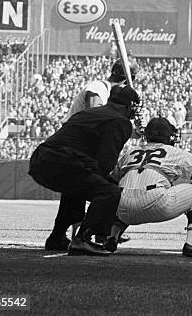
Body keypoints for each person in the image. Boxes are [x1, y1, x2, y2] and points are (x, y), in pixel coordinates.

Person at [28, 85, 140, 256]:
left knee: (76, 187)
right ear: (129, 106)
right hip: (62, 160)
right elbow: (105, 163)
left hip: (41, 159)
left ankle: (57, 236)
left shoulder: (89, 113)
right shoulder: (120, 121)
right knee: (109, 193)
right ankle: (83, 239)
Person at [105, 117, 192, 258]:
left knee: (122, 192)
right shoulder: (175, 152)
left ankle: (112, 236)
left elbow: (110, 182)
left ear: (146, 135)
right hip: (156, 202)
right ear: (169, 136)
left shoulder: (130, 152)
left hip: (122, 209)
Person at [61, 58, 138, 123]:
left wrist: (137, 129)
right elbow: (94, 116)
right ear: (127, 81)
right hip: (70, 137)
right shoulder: (99, 87)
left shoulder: (111, 95)